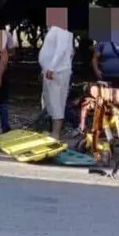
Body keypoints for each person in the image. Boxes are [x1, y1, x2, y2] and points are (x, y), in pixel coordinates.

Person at [38, 8, 75, 139]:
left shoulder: (61, 31)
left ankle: (56, 133)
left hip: (57, 72)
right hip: (52, 71)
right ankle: (53, 130)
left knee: (56, 102)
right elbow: (69, 52)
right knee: (49, 101)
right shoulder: (56, 30)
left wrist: (51, 68)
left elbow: (61, 51)